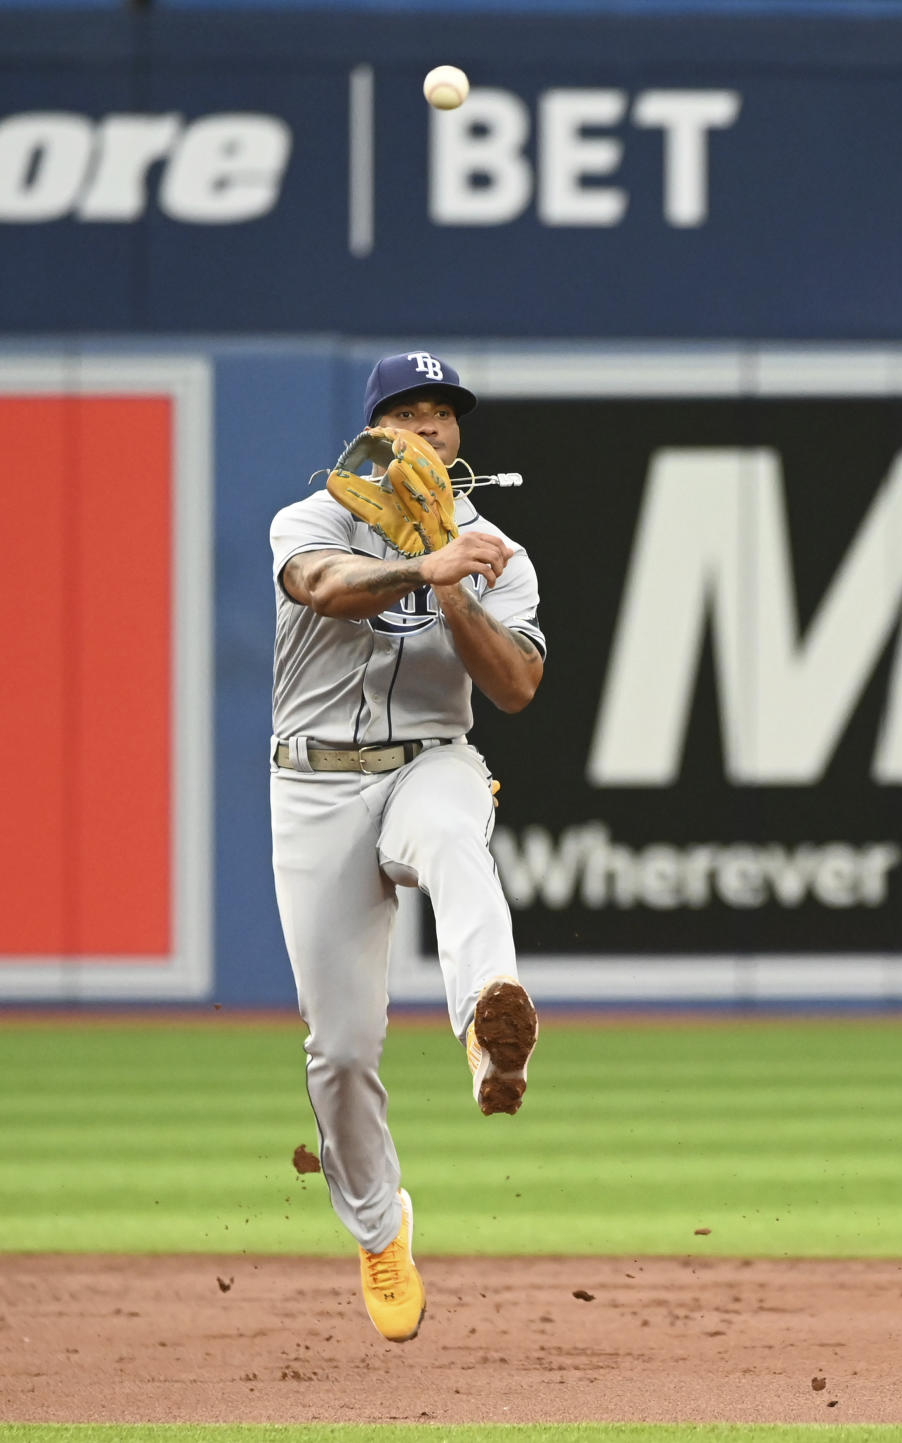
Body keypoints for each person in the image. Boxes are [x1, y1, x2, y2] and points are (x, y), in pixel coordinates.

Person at [268, 350, 545, 1343]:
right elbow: (319, 585)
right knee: (339, 1051)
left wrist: (458, 583)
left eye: (445, 414)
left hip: (432, 756)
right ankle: (381, 1232)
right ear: (375, 431)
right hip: (313, 783)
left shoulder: (493, 547)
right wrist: (419, 565)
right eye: (410, 413)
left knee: (452, 837)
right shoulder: (309, 519)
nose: (432, 429)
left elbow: (513, 688)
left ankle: (489, 1027)